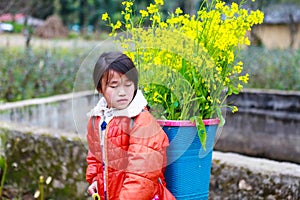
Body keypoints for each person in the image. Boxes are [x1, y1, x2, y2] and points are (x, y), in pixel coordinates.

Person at [85, 51, 175, 200]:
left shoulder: (142, 123)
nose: (122, 92)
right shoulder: (98, 119)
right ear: (100, 89)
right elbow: (95, 156)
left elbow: (140, 179)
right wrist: (95, 180)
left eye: (128, 85)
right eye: (114, 86)